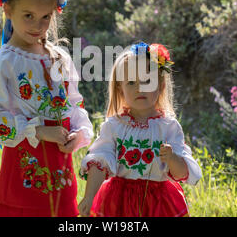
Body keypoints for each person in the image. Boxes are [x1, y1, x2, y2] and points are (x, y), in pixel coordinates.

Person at [0, 0, 93, 217]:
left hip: (61, 175)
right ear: (7, 9)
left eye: (45, 18)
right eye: (28, 15)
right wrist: (38, 131)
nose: (37, 25)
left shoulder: (60, 58)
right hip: (22, 175)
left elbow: (74, 107)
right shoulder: (3, 60)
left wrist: (78, 134)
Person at [78, 42, 202, 217]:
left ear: (160, 86)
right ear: (120, 88)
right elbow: (100, 160)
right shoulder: (114, 126)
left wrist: (173, 158)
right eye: (131, 82)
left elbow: (182, 172)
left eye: (147, 80)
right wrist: (89, 196)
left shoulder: (168, 127)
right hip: (118, 201)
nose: (139, 88)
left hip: (158, 203)